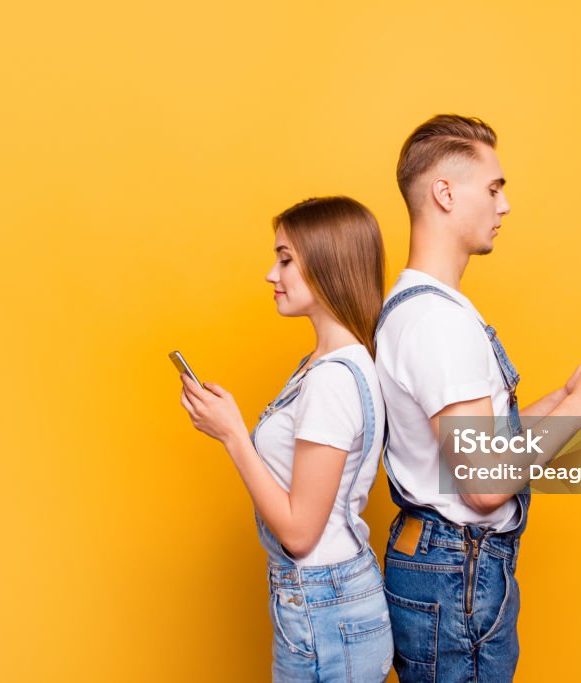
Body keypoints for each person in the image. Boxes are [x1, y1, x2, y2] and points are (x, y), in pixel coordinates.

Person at [374, 114, 581, 681]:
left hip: (443, 568)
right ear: (444, 193)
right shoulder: (437, 324)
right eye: (494, 188)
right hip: (459, 575)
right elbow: (483, 486)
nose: (505, 206)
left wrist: (563, 395)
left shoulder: (421, 307)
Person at [179, 196, 394, 682]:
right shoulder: (335, 362)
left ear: (328, 264)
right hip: (329, 600)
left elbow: (299, 533)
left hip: (324, 603)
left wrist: (233, 434)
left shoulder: (332, 379)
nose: (270, 274)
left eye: (285, 259)